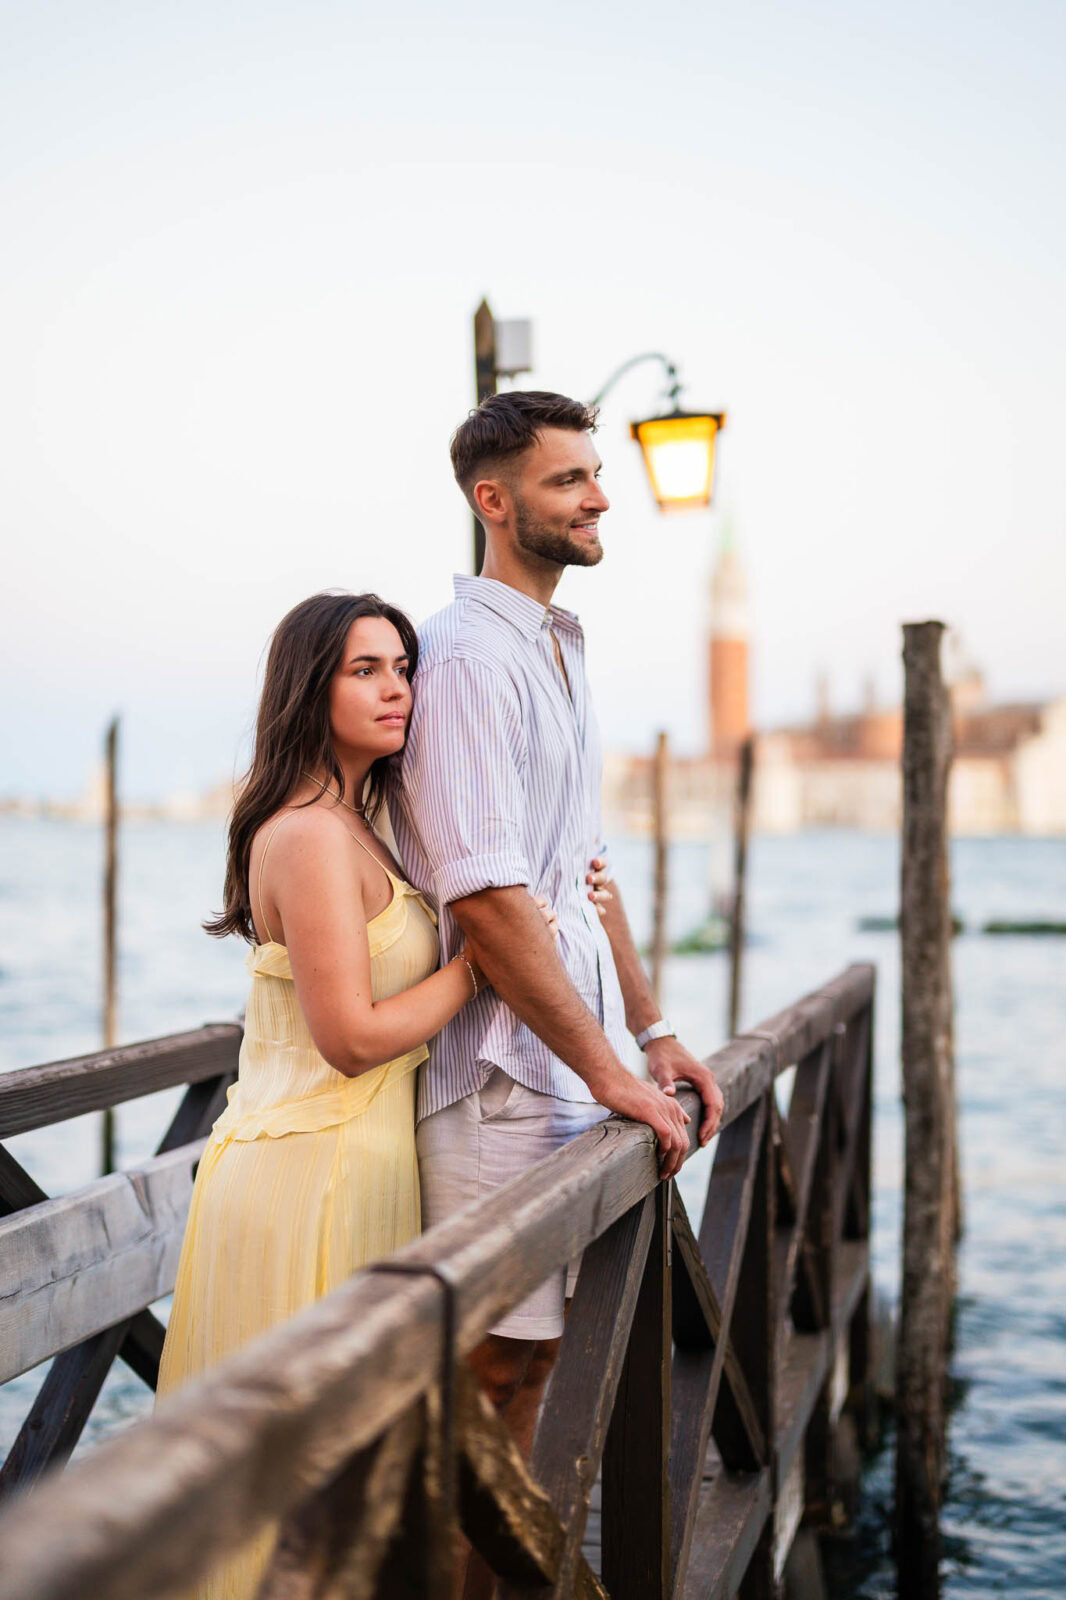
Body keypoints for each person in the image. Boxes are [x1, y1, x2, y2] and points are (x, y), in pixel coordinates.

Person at [156, 589, 557, 1599]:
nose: (398, 690)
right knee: (296, 1488)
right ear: (308, 687)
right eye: (364, 669)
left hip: (356, 1163)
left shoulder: (361, 820)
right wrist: (480, 964)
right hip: (311, 1174)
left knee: (347, 1483)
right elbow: (349, 1039)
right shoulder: (306, 834)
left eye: (403, 667)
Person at [390, 391, 725, 1584]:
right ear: (494, 501)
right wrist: (607, 1073)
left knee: (533, 1372)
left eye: (596, 475)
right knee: (486, 1384)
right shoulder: (471, 657)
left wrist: (655, 1032)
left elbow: (581, 875)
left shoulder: (554, 644)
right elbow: (484, 898)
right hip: (495, 1079)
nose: (597, 498)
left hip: (569, 1069)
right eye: (568, 480)